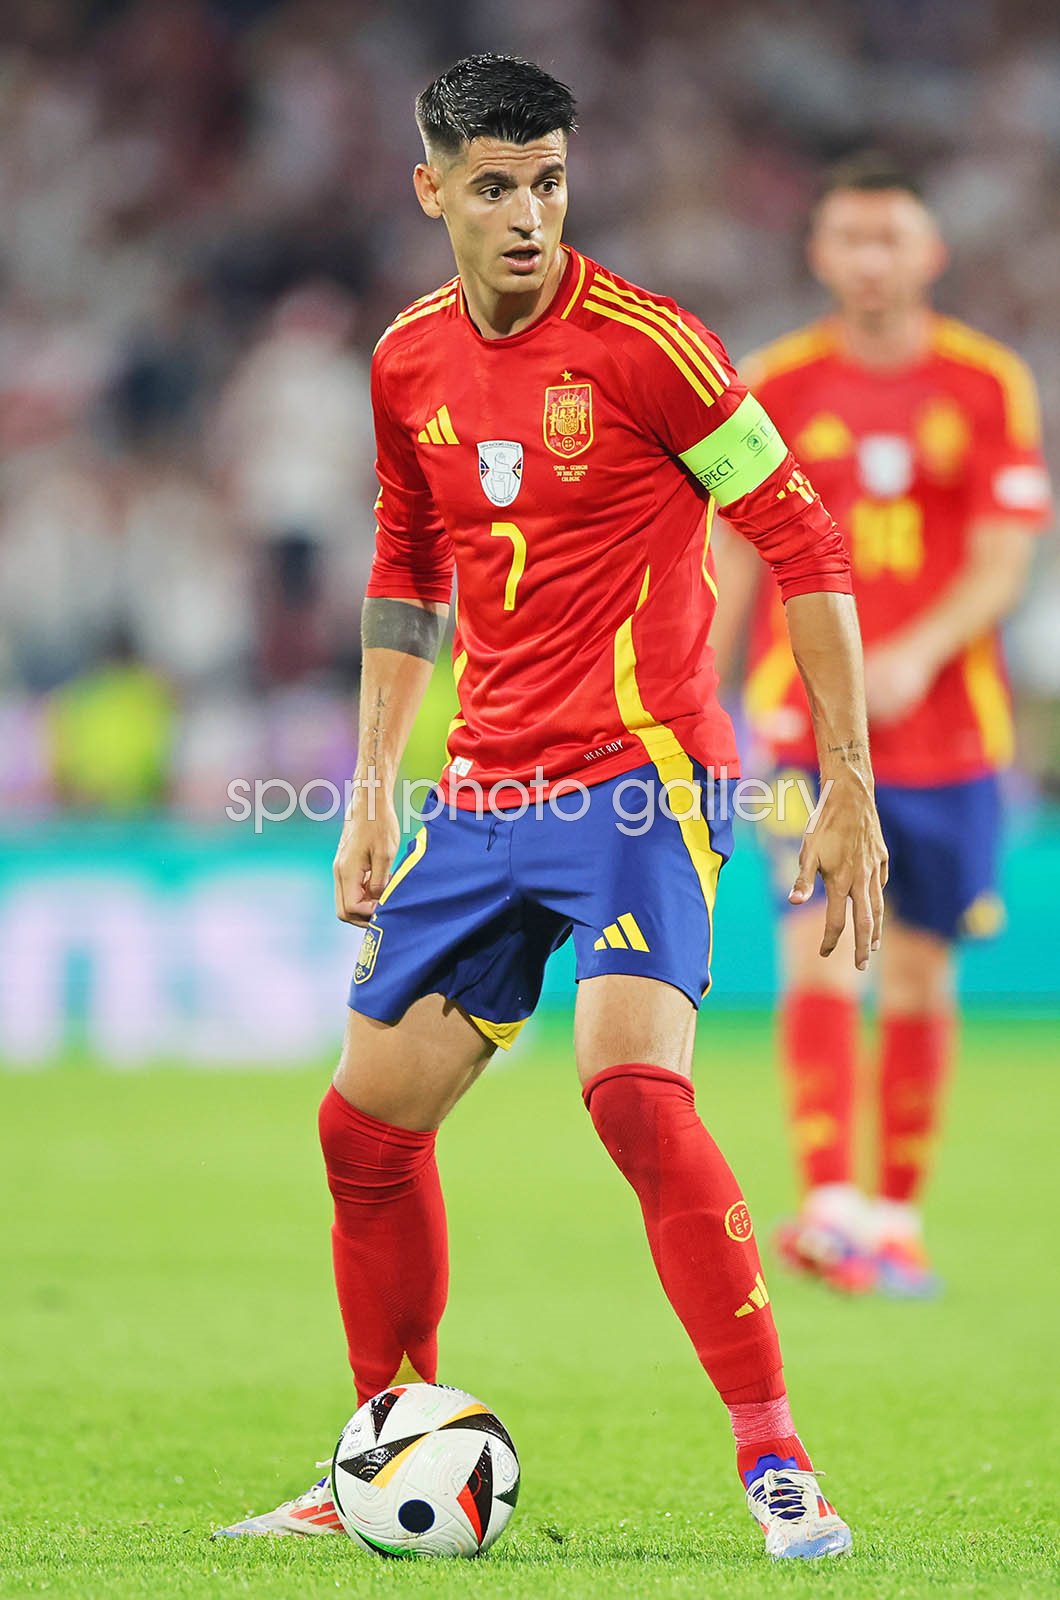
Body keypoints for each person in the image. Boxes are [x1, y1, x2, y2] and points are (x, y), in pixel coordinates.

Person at [215, 56, 887, 1558]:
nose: (530, 215)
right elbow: (404, 571)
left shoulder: (655, 350)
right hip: (481, 793)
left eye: (552, 181)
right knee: (362, 1133)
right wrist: (371, 791)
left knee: (634, 1096)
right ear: (433, 189)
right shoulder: (404, 363)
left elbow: (806, 540)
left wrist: (845, 779)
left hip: (642, 784)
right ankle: (381, 1447)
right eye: (498, 185)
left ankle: (777, 1461)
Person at [711, 153, 1050, 1298]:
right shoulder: (774, 385)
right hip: (798, 723)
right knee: (818, 940)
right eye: (849, 238)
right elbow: (726, 550)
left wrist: (912, 650)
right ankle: (830, 1201)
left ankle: (895, 1214)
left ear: (929, 251)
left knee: (914, 967)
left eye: (889, 237)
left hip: (949, 729)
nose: (870, 259)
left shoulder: (987, 383)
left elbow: (1005, 559)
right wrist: (700, 694)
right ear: (818, 254)